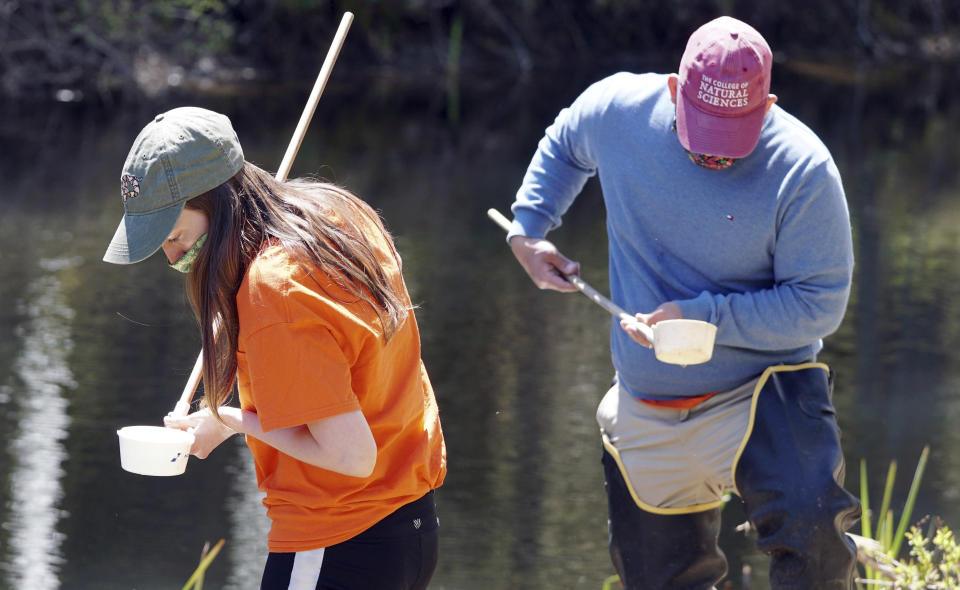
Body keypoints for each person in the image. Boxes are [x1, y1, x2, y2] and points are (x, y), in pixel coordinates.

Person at [504, 16, 860, 590]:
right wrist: (530, 226)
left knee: (813, 529)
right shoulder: (619, 110)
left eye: (732, 138)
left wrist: (706, 319)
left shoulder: (803, 170)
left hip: (762, 391)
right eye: (703, 134)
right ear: (674, 89)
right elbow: (566, 142)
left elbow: (818, 305)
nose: (714, 158)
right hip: (648, 404)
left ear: (767, 104)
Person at [103, 107, 446, 590]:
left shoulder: (274, 289)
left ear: (216, 204)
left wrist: (227, 419)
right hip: (410, 527)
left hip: (338, 540)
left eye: (174, 235)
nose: (172, 256)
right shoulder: (335, 214)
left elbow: (352, 457)